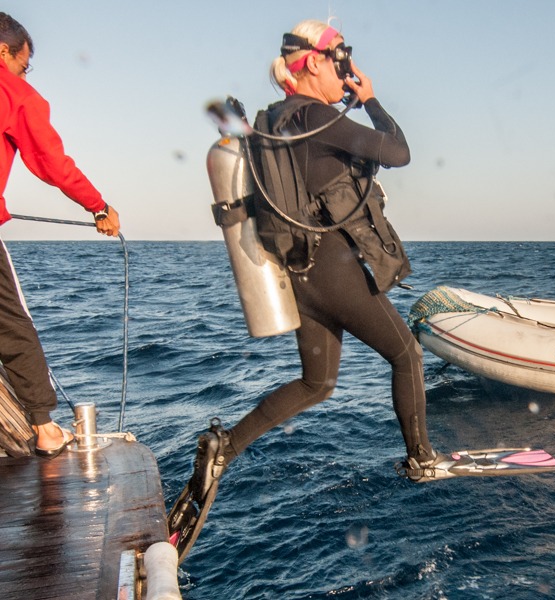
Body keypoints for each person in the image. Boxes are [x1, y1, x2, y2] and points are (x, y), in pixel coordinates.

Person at [170, 18, 460, 559]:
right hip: (335, 269)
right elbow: (398, 152)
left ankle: (223, 447)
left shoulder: (267, 123)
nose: (345, 72)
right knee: (407, 354)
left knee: (317, 384)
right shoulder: (319, 118)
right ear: (313, 65)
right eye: (339, 62)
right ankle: (420, 457)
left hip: (297, 274)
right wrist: (371, 100)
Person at [0, 12, 121, 458]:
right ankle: (45, 429)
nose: (23, 73)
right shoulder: (13, 92)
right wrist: (99, 207)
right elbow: (51, 163)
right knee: (11, 325)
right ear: (4, 52)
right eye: (23, 64)